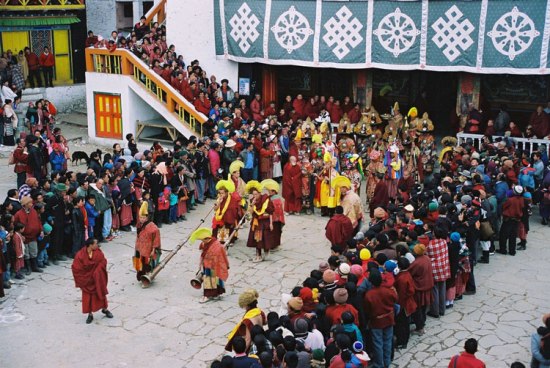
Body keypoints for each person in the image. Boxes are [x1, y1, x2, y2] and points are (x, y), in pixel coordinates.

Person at [71, 238, 113, 324]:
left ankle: (104, 309)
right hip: (86, 280)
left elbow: (103, 261)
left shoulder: (98, 252)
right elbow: (76, 267)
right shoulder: (80, 255)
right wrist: (85, 277)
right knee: (88, 298)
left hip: (97, 279)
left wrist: (97, 272)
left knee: (100, 293)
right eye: (96, 244)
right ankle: (90, 314)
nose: (97, 245)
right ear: (90, 245)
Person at [191, 227, 229, 303]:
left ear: (207, 238)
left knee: (210, 279)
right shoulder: (205, 243)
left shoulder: (216, 245)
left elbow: (219, 256)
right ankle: (214, 294)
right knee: (210, 279)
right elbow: (202, 252)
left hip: (214, 265)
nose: (202, 242)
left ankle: (207, 295)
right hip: (207, 264)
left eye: (203, 240)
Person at [246, 180, 274, 262]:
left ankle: (266, 250)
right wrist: (252, 204)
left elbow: (271, 212)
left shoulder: (265, 199)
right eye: (253, 194)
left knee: (265, 238)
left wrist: (271, 223)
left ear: (259, 193)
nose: (254, 196)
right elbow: (250, 212)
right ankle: (258, 255)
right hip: (256, 222)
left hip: (265, 222)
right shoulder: (252, 201)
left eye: (256, 194)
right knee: (257, 239)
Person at [134, 205, 161, 288]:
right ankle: (142, 277)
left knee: (147, 265)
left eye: (143, 218)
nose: (141, 219)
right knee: (140, 264)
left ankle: (147, 279)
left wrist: (153, 250)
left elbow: (156, 240)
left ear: (147, 217)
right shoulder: (139, 225)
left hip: (148, 249)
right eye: (140, 217)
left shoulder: (153, 227)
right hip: (139, 248)